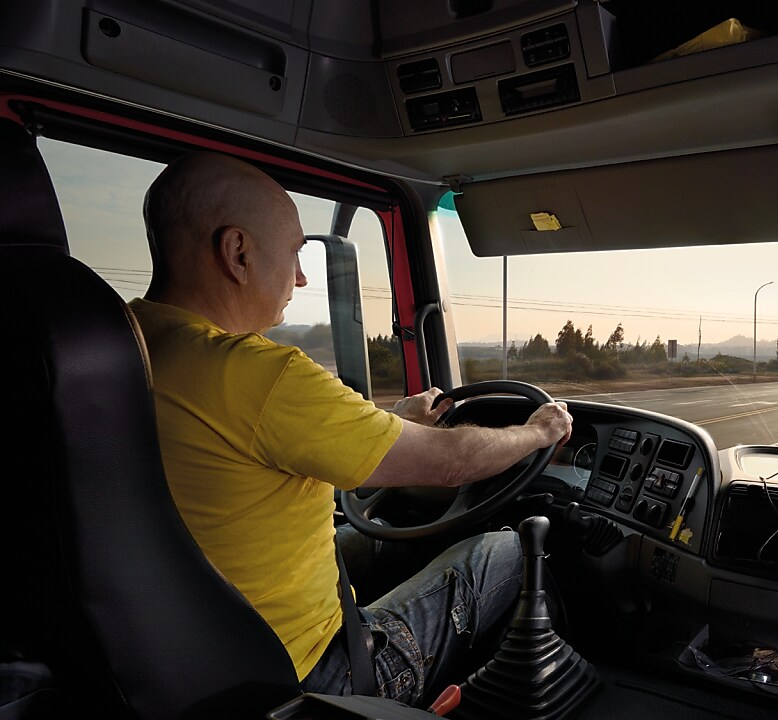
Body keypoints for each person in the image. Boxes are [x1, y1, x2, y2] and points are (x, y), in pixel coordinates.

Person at [127, 151, 573, 706]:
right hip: (310, 680)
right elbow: (451, 462)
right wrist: (538, 431)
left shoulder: (128, 343)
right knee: (505, 551)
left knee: (374, 530)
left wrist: (391, 425)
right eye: (294, 253)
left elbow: (271, 448)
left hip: (181, 659)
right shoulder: (256, 372)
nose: (301, 276)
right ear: (237, 252)